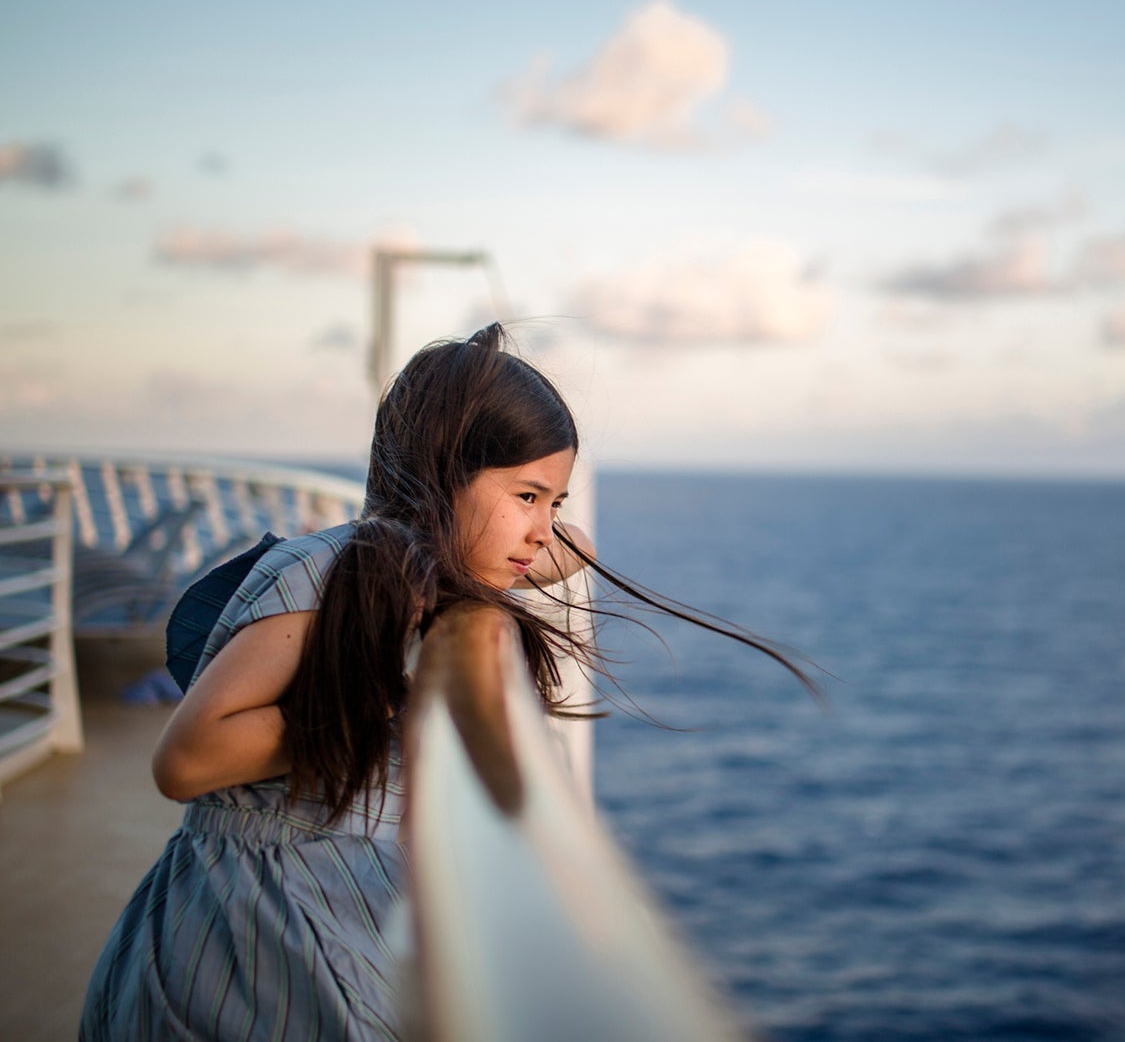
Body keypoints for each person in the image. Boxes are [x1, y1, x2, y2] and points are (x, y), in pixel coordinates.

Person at [80, 323, 812, 1041]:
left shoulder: (429, 573)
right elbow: (187, 758)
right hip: (248, 943)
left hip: (331, 914)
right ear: (443, 471)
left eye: (553, 503)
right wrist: (389, 689)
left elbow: (576, 548)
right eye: (527, 496)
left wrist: (483, 548)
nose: (543, 530)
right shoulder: (331, 572)